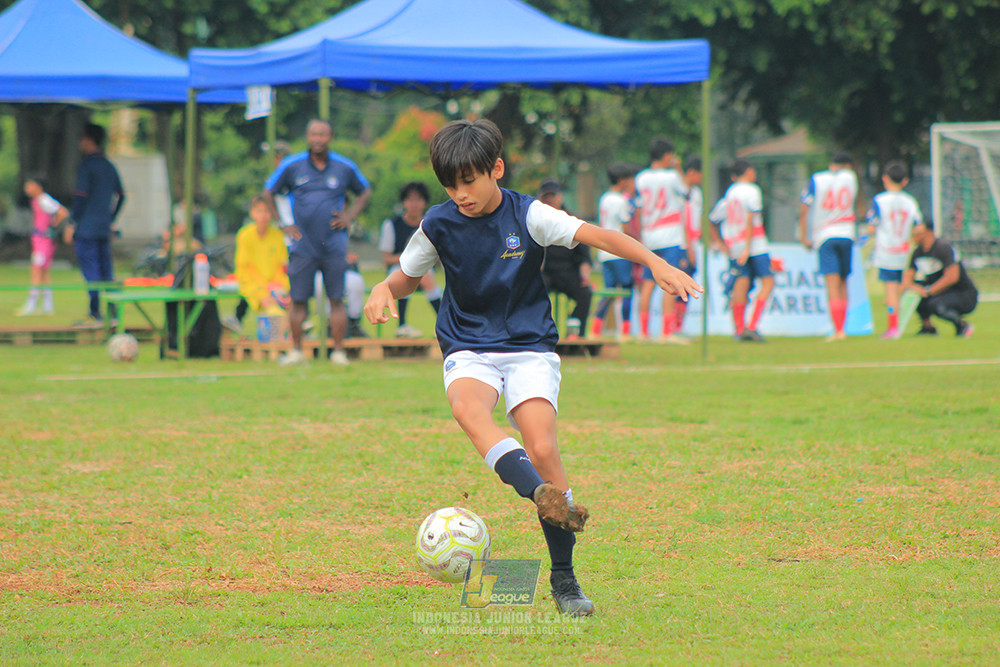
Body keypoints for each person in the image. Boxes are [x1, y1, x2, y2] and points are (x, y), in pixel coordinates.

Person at [363, 119, 702, 617]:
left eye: (470, 181)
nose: (460, 194)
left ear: (496, 169)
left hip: (528, 348)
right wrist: (382, 288)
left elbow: (600, 235)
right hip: (469, 347)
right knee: (467, 409)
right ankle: (540, 493)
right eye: (450, 185)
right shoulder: (438, 223)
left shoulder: (530, 214)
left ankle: (564, 579)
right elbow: (407, 278)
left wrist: (656, 262)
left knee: (542, 446)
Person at [264, 119, 371, 366]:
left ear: (330, 136)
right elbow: (268, 191)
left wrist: (349, 216)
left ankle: (338, 351)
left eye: (322, 134)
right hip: (303, 244)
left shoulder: (344, 166)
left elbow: (364, 191)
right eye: (314, 134)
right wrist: (282, 224)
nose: (318, 139)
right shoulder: (293, 165)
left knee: (336, 298)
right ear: (307, 136)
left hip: (334, 244)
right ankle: (296, 350)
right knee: (299, 299)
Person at [64, 123, 125, 327]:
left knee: (92, 272)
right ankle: (114, 313)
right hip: (103, 227)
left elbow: (81, 197)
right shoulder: (109, 165)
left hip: (86, 228)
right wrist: (110, 217)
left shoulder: (87, 166)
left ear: (89, 140)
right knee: (106, 270)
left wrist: (73, 222)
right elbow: (122, 195)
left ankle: (95, 313)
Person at [709, 159, 774, 342]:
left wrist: (720, 243)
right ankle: (752, 326)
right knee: (768, 282)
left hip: (734, 245)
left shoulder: (730, 194)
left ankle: (738, 329)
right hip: (755, 244)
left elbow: (712, 219)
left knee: (741, 284)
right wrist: (747, 247)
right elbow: (751, 218)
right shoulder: (752, 190)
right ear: (749, 172)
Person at [634, 138, 690, 344]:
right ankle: (667, 332)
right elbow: (687, 193)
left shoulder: (641, 178)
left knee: (648, 284)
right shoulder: (672, 176)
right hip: (671, 236)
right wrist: (679, 168)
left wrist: (640, 235)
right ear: (667, 156)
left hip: (649, 236)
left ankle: (643, 332)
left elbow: (638, 209)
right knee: (672, 281)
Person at [800, 151, 858, 341]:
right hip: (847, 233)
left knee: (831, 283)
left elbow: (805, 207)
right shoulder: (851, 178)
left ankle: (838, 330)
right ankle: (844, 328)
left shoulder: (817, 179)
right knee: (843, 282)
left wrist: (804, 236)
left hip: (825, 234)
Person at [865, 161, 924, 340]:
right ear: (905, 181)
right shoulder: (910, 201)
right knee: (897, 287)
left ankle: (893, 327)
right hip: (903, 250)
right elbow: (920, 228)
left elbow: (871, 227)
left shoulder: (879, 200)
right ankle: (896, 315)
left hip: (886, 251)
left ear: (885, 179)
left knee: (890, 289)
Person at [378, 181, 442, 338]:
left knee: (424, 274)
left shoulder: (430, 223)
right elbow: (387, 258)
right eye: (410, 199)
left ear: (424, 202)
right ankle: (402, 325)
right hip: (398, 268)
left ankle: (442, 324)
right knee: (407, 273)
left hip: (426, 272)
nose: (414, 204)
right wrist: (409, 258)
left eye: (418, 199)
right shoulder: (392, 225)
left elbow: (438, 259)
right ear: (404, 202)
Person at [224, 195, 290, 333]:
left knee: (288, 298)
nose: (263, 215)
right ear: (252, 213)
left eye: (267, 211)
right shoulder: (245, 235)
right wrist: (264, 289)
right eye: (259, 211)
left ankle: (293, 328)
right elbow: (246, 268)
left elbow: (281, 265)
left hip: (275, 283)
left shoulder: (277, 235)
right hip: (252, 281)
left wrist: (277, 286)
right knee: (267, 303)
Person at [538, 180, 593, 340]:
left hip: (568, 270)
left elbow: (583, 252)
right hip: (544, 272)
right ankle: (539, 332)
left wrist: (584, 269)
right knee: (530, 292)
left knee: (585, 293)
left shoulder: (572, 220)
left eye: (552, 196)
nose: (549, 200)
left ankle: (575, 331)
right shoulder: (535, 220)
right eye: (546, 197)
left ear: (560, 197)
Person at [902, 221, 977, 337]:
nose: (914, 235)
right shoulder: (917, 253)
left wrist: (929, 290)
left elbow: (952, 277)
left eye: (918, 232)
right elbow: (907, 280)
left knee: (936, 304)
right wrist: (916, 289)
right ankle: (927, 327)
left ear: (928, 232)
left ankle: (962, 325)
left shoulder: (944, 248)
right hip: (938, 291)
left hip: (962, 293)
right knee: (914, 293)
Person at [591, 162, 639, 339]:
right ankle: (625, 331)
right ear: (621, 181)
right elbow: (626, 228)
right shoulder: (621, 201)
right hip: (619, 252)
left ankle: (595, 329)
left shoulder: (604, 198)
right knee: (626, 289)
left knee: (608, 291)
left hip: (604, 252)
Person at [17, 175, 68, 316]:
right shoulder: (37, 200)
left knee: (36, 271)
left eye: (29, 185)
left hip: (42, 241)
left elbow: (62, 212)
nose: (27, 189)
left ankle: (31, 304)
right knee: (44, 272)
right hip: (40, 240)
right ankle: (47, 305)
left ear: (37, 186)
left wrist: (53, 226)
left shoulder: (44, 200)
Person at [676, 155, 704, 337]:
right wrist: (689, 246)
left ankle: (678, 327)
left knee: (687, 284)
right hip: (683, 243)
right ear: (692, 172)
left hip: (693, 241)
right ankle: (672, 327)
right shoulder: (680, 192)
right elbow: (683, 219)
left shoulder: (697, 194)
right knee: (679, 283)